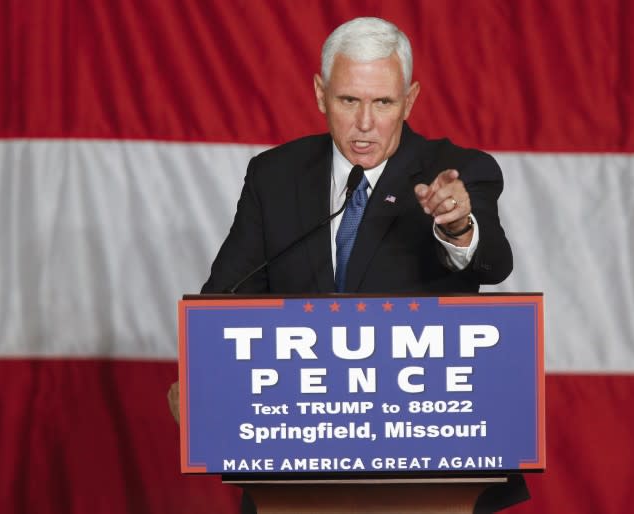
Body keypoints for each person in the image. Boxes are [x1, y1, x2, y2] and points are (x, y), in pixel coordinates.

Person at [170, 16, 527, 513]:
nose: (365, 123)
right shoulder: (275, 175)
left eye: (383, 102)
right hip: (295, 462)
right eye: (348, 100)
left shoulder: (458, 171)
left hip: (427, 463)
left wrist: (456, 227)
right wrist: (202, 372)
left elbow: (493, 264)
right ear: (320, 94)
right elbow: (226, 297)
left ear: (410, 100)